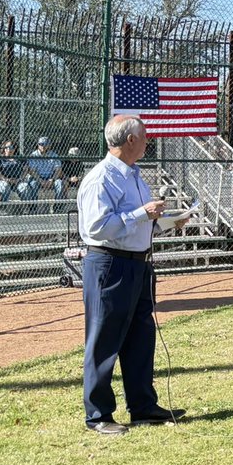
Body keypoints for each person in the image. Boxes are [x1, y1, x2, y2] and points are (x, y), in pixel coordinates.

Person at [78, 115, 185, 435]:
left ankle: (143, 406)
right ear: (130, 140)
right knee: (104, 339)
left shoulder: (134, 176)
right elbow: (97, 227)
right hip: (110, 264)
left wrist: (166, 222)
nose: (148, 142)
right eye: (144, 136)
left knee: (140, 336)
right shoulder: (102, 178)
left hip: (138, 263)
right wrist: (142, 213)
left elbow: (136, 223)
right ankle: (98, 415)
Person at [22, 136, 65, 210]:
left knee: (59, 183)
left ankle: (57, 207)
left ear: (49, 145)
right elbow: (32, 171)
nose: (43, 146)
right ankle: (33, 207)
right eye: (41, 144)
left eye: (45, 144)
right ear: (38, 145)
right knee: (33, 184)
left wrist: (52, 180)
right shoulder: (33, 155)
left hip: (51, 178)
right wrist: (41, 181)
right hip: (37, 178)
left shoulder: (54, 155)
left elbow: (58, 170)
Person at [0, 140, 24, 205]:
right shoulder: (0, 159)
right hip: (3, 181)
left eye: (11, 147)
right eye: (6, 147)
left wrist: (19, 179)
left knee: (25, 187)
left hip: (17, 181)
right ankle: (3, 206)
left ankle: (28, 207)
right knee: (5, 186)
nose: (8, 149)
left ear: (14, 149)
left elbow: (25, 170)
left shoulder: (18, 159)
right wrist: (6, 179)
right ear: (4, 149)